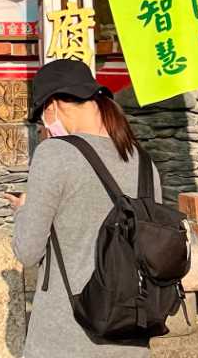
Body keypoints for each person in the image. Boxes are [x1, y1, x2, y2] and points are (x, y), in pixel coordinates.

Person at [11, 58, 163, 358]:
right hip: (132, 337)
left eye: (43, 116)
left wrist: (23, 211)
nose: (45, 125)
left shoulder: (54, 154)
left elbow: (27, 251)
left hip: (65, 339)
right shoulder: (145, 163)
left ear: (52, 105)